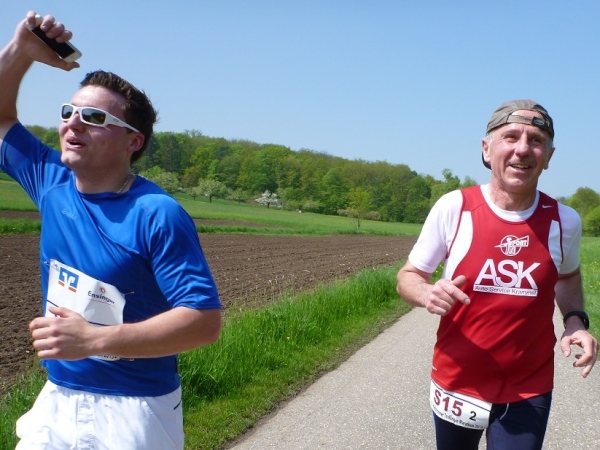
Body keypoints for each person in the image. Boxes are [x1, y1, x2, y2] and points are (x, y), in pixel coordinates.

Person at [0, 12, 222, 449]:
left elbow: (203, 321)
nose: (73, 123)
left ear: (133, 141)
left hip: (135, 409)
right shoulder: (51, 181)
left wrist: (94, 339)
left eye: (94, 116)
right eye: (69, 112)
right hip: (58, 398)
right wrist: (20, 51)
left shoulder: (157, 213)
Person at [396, 99, 598, 450]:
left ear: (549, 156)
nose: (523, 149)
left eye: (536, 140)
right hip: (458, 381)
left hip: (528, 386)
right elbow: (408, 276)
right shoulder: (454, 207)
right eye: (511, 136)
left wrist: (575, 321)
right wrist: (427, 293)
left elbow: (567, 276)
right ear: (486, 149)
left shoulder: (565, 221)